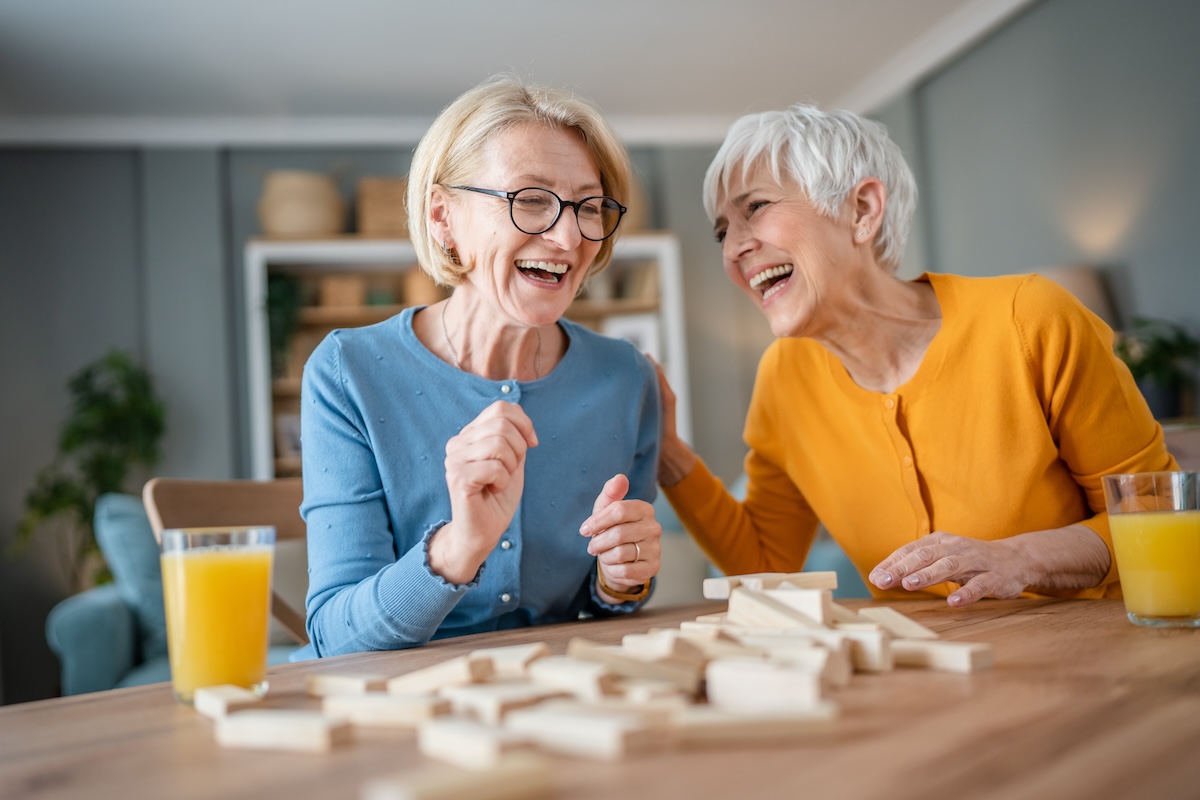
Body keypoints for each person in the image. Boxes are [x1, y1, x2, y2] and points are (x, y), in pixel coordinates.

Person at [656, 103, 1178, 607]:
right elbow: (767, 563)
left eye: (756, 208)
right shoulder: (783, 376)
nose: (733, 249)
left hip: (1091, 661)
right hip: (924, 676)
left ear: (861, 210)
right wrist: (668, 451)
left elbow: (1154, 515)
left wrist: (1021, 559)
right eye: (722, 232)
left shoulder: (1030, 320)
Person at [295, 77, 662, 658]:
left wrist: (621, 579)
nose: (568, 236)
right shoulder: (349, 372)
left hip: (562, 700)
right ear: (443, 217)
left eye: (588, 207)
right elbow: (336, 637)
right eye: (531, 199)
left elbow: (607, 601)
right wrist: (459, 546)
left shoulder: (627, 378)